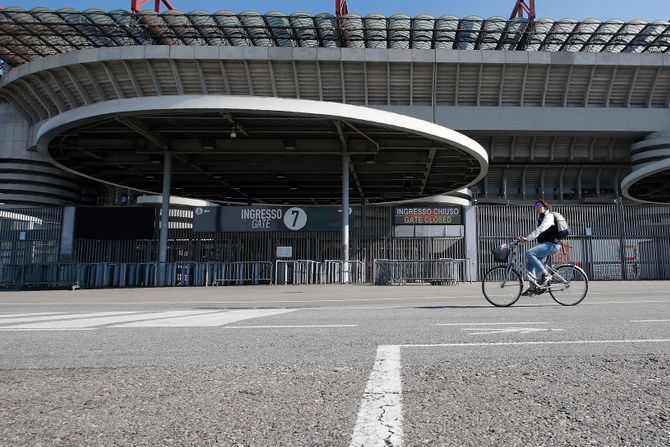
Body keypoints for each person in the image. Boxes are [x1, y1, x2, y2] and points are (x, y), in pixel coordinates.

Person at [517, 199, 563, 296]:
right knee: (529, 263)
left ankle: (545, 275)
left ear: (545, 207)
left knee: (529, 253)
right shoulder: (542, 217)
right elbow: (540, 233)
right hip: (547, 244)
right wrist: (525, 239)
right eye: (536, 207)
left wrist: (527, 238)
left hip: (553, 244)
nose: (537, 208)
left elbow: (541, 229)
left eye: (539, 206)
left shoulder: (549, 216)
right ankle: (532, 287)